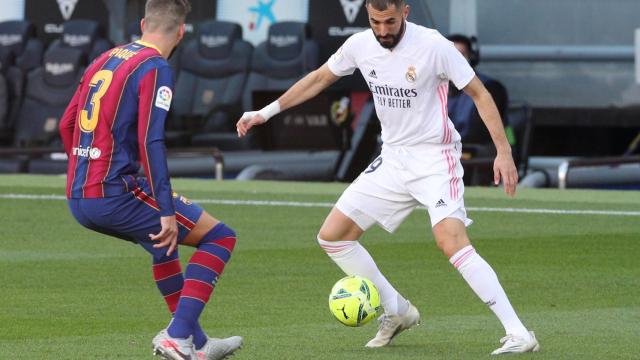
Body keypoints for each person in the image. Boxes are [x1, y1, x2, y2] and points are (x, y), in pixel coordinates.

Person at [236, 0, 538, 355]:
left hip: (434, 160)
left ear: (405, 12)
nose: (383, 30)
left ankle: (519, 332)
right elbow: (319, 78)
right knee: (333, 237)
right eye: (376, 21)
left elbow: (479, 93)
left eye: (390, 21)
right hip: (393, 159)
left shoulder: (434, 45)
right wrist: (266, 112)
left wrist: (504, 151)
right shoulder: (360, 45)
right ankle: (397, 311)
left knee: (450, 239)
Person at [58, 1, 242, 359]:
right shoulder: (155, 66)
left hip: (79, 196)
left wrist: (84, 170)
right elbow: (149, 140)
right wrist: (165, 208)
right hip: (114, 193)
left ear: (143, 23)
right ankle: (177, 335)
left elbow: (67, 124)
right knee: (220, 237)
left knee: (164, 245)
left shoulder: (105, 57)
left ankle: (199, 344)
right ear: (182, 31)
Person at [446, 34, 510, 145]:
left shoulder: (491, 88)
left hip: (477, 154)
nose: (455, 60)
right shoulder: (433, 87)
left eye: (460, 55)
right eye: (450, 56)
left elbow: (480, 133)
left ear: (472, 58)